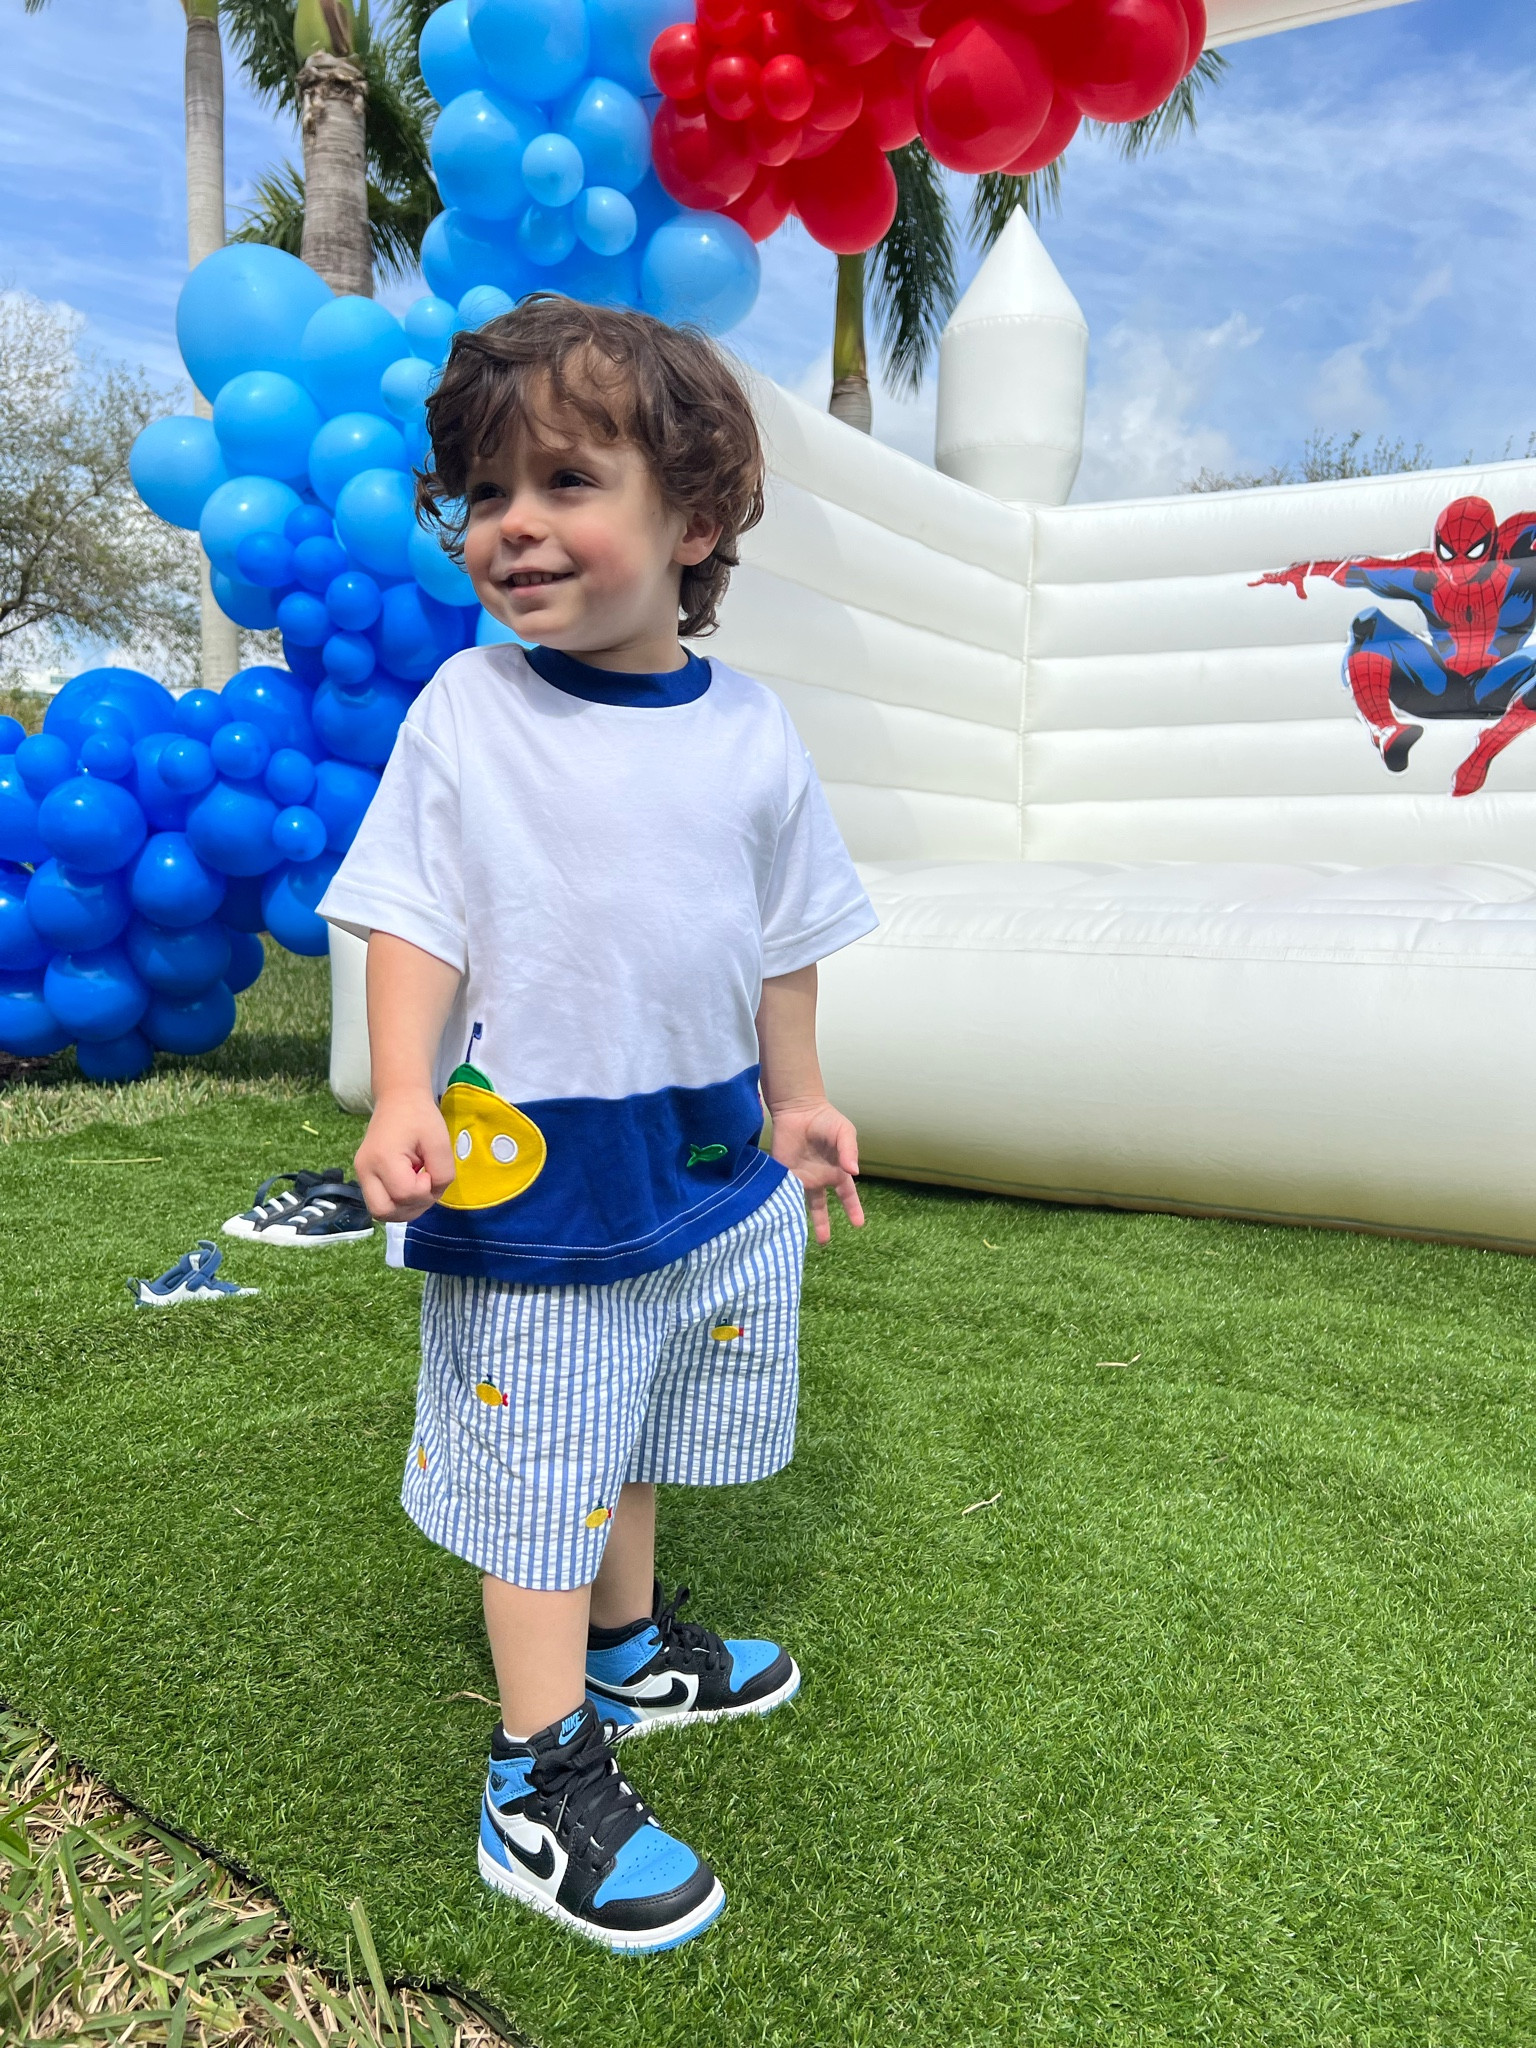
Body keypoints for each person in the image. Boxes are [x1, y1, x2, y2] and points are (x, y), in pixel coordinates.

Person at [318, 294, 876, 1955]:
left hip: (701, 1166)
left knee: (630, 1427)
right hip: (536, 1181)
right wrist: (401, 1087)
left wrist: (800, 1099)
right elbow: (412, 914)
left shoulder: (751, 728)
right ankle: (535, 1775)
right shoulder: (471, 710)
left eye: (567, 481)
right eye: (486, 493)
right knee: (543, 1464)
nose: (514, 524)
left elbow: (784, 939)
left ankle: (625, 1652)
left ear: (693, 522)